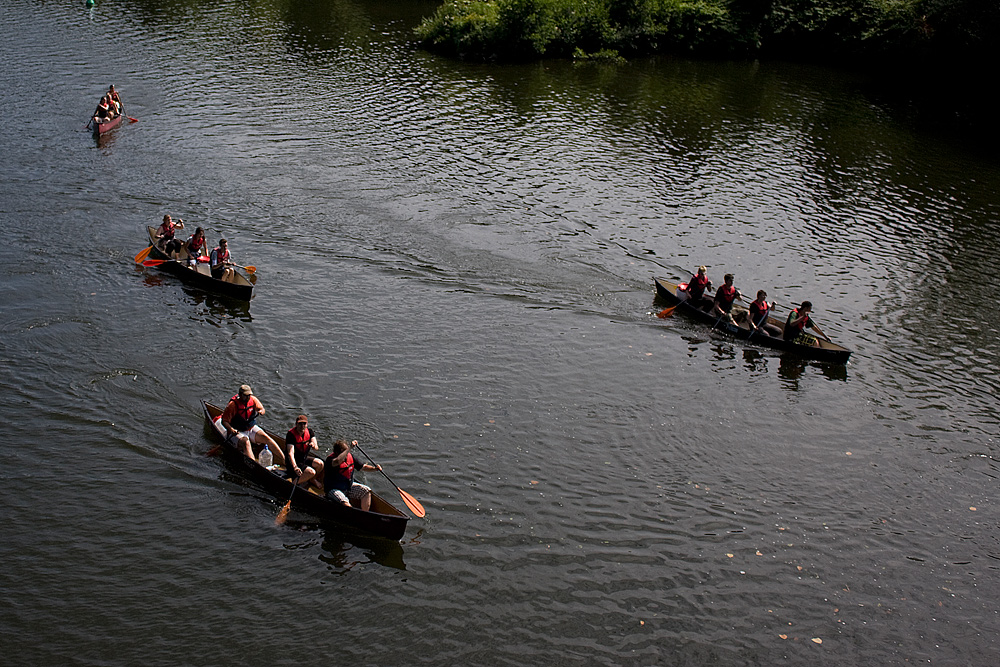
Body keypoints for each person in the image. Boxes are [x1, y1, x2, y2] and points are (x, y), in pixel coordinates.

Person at [221, 384, 279, 461]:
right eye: (245, 395)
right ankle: (255, 465)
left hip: (249, 428)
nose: (248, 397)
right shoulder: (232, 405)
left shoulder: (253, 400)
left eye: (249, 395)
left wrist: (261, 411)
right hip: (237, 431)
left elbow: (262, 408)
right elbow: (224, 421)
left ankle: (285, 461)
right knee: (246, 443)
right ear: (240, 395)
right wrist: (231, 429)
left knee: (266, 438)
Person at [324, 439, 381, 511]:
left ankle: (365, 514)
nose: (347, 454)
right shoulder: (331, 460)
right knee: (345, 502)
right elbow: (338, 461)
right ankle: (353, 516)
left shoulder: (350, 457)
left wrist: (374, 468)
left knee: (366, 491)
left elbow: (363, 467)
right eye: (345, 452)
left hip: (347, 487)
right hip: (333, 489)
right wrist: (349, 448)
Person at [285, 415, 324, 490]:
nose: (302, 426)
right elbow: (290, 453)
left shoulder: (310, 432)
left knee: (320, 464)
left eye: (304, 424)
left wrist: (313, 445)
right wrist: (295, 467)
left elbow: (316, 447)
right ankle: (293, 484)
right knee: (311, 472)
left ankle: (312, 479)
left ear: (307, 424)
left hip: (303, 459)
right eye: (300, 424)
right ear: (296, 424)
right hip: (293, 462)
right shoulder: (291, 435)